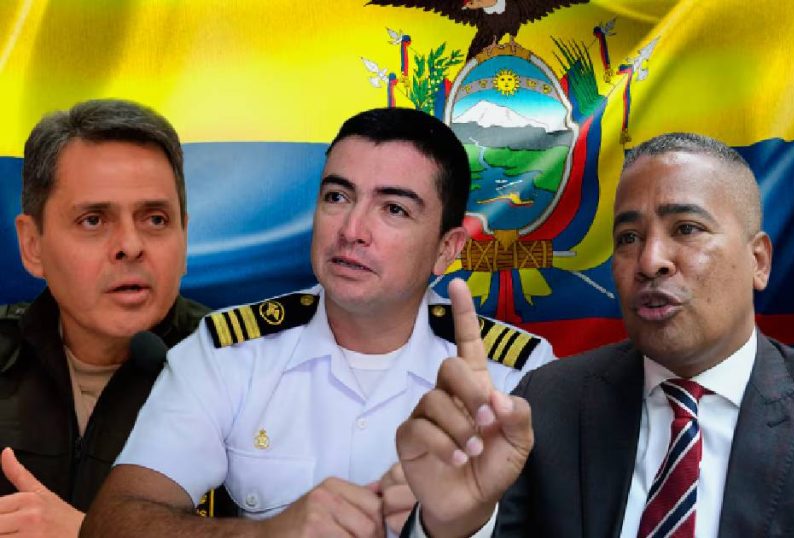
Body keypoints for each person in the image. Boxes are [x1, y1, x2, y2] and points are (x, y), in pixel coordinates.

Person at [396, 132, 794, 537]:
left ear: (758, 261)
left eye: (687, 229)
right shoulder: (549, 403)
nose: (650, 260)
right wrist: (454, 525)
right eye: (629, 237)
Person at [81, 107, 555, 537]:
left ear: (446, 250)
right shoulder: (228, 353)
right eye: (337, 196)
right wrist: (268, 536)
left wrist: (451, 527)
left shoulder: (519, 377)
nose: (351, 230)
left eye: (394, 209)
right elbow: (111, 522)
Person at [0, 99, 210, 537]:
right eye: (93, 220)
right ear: (32, 245)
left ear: (184, 237)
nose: (131, 245)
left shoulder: (251, 370)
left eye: (156, 219)